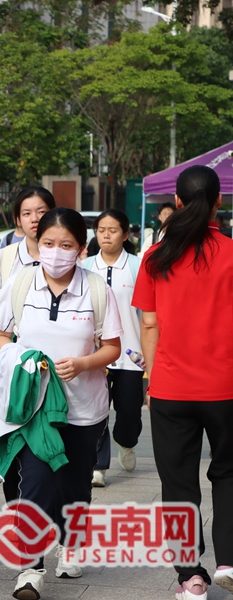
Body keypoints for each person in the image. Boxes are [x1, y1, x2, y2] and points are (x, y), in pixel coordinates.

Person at [0, 207, 122, 599]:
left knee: (75, 482)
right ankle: (30, 569)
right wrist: (20, 359)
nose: (56, 252)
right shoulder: (21, 282)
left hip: (84, 408)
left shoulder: (96, 288)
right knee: (36, 482)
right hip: (35, 408)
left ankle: (71, 542)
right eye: (48, 243)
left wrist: (82, 364)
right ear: (37, 243)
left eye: (66, 245)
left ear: (81, 249)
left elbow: (112, 347)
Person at [133, 165, 233, 600]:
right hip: (226, 387)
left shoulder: (156, 257)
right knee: (228, 474)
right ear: (218, 202)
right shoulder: (231, 253)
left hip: (171, 388)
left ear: (175, 202)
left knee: (178, 484)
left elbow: (149, 325)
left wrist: (152, 380)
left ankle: (190, 578)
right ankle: (229, 560)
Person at [83, 209, 143, 488]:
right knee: (97, 412)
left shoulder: (137, 266)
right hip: (96, 355)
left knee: (129, 413)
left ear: (126, 234)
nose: (106, 235)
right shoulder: (85, 267)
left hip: (132, 355)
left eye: (113, 230)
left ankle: (126, 443)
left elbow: (147, 314)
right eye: (101, 230)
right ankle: (98, 466)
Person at [0, 187, 56, 294]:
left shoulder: (66, 257)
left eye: (41, 212)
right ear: (18, 220)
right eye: (27, 213)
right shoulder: (2, 258)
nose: (34, 219)